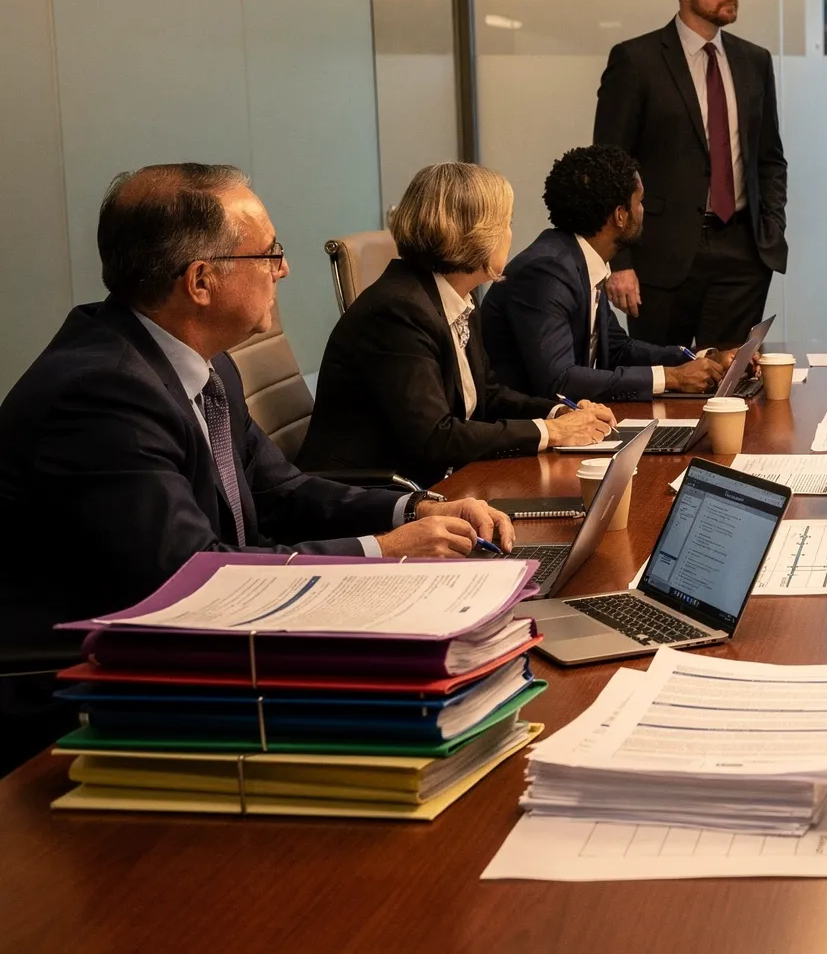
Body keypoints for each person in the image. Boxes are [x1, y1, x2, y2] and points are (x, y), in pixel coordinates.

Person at [0, 164, 513, 769]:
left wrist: (417, 509)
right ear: (200, 281)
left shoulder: (205, 364)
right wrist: (384, 549)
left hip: (199, 655)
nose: (284, 269)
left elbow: (282, 492)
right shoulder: (103, 393)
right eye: (269, 253)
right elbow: (194, 579)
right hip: (81, 701)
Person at [299, 163, 616, 488]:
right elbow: (434, 437)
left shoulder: (456, 296)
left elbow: (486, 396)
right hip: (367, 497)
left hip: (436, 480)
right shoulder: (398, 311)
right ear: (476, 233)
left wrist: (558, 413)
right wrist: (551, 433)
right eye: (505, 223)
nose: (510, 234)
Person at [593, 0, 788, 348]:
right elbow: (608, 165)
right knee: (664, 385)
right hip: (661, 256)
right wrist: (618, 261)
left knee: (731, 386)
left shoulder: (754, 60)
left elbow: (769, 158)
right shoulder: (637, 60)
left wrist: (770, 227)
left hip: (743, 252)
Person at [482, 145, 733, 402]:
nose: (643, 210)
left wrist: (706, 359)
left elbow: (617, 349)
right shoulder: (547, 272)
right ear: (620, 216)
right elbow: (560, 380)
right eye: (639, 201)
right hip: (524, 430)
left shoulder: (581, 259)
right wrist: (672, 378)